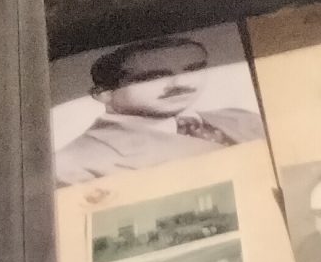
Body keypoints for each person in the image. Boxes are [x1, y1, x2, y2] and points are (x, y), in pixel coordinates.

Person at [53, 36, 263, 184]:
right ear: (104, 94)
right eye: (153, 77)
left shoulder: (243, 118)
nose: (180, 83)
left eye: (193, 69)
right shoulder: (72, 164)